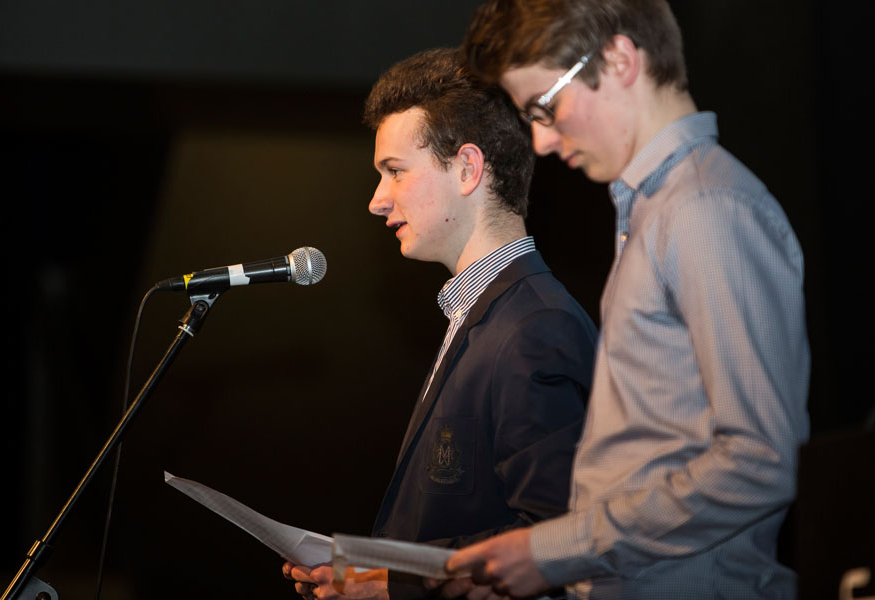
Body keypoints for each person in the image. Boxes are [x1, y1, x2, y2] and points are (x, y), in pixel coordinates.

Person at [437, 1, 811, 599]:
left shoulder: (706, 209)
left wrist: (556, 552)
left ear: (618, 60)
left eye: (544, 108)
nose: (542, 140)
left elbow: (759, 460)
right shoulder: (655, 209)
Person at [282, 47, 598, 600]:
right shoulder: (485, 315)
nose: (377, 201)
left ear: (468, 169)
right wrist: (367, 572)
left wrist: (392, 585)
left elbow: (555, 545)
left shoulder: (535, 328)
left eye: (395, 172)